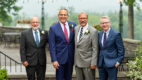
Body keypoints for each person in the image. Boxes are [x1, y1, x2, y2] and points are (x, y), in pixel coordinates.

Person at [48, 8, 76, 80]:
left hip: (70, 58)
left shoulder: (73, 25)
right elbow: (52, 46)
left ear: (67, 16)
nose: (63, 16)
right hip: (59, 59)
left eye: (65, 15)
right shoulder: (53, 28)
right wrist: (54, 60)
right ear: (58, 15)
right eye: (61, 15)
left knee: (69, 77)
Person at [74, 12, 98, 80]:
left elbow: (95, 48)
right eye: (81, 18)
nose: (82, 20)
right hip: (77, 62)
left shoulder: (93, 31)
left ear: (87, 19)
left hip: (88, 63)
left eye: (84, 18)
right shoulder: (76, 29)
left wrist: (93, 63)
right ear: (78, 19)